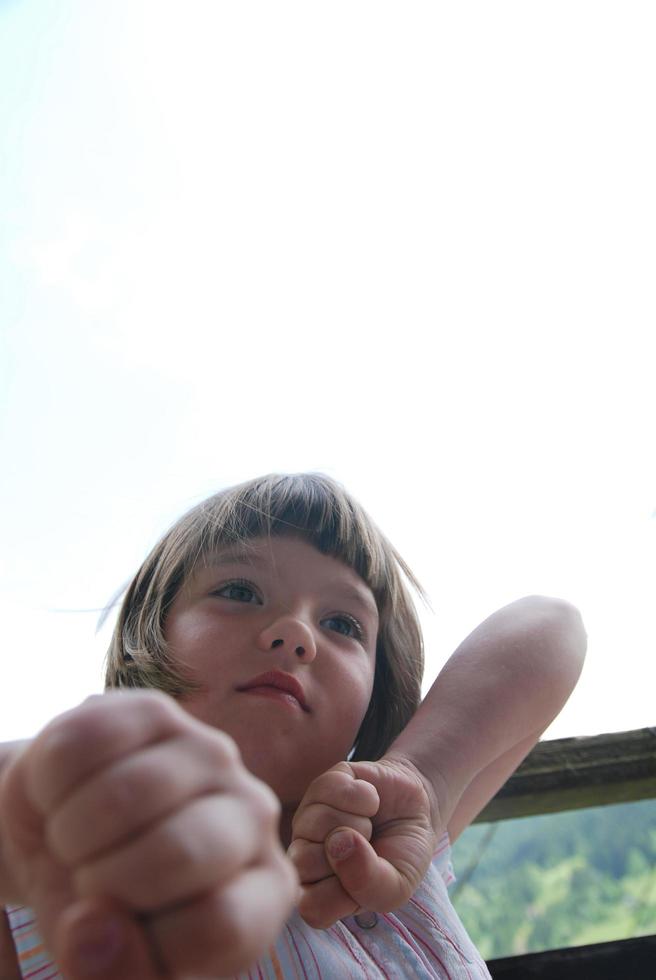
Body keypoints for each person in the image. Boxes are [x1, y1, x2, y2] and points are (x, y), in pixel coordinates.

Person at [0, 472, 587, 979]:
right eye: (239, 590)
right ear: (151, 633)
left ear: (376, 691)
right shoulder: (67, 877)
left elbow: (552, 626)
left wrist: (424, 778)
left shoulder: (393, 843)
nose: (294, 633)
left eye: (343, 624)